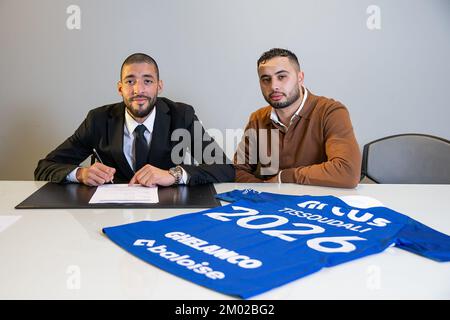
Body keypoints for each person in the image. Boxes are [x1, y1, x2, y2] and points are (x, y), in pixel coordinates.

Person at [35, 53, 234, 186]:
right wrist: (81, 174)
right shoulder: (97, 119)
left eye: (147, 81)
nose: (139, 90)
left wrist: (174, 174)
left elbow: (224, 169)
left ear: (159, 86)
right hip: (109, 215)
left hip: (168, 214)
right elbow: (44, 167)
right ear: (120, 88)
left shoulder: (182, 116)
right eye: (130, 81)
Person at [234, 48, 361, 188]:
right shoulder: (258, 118)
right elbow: (237, 170)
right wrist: (264, 192)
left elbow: (347, 171)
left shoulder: (331, 112)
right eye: (266, 79)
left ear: (300, 78)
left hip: (318, 204)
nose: (273, 86)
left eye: (281, 77)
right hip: (272, 206)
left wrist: (284, 177)